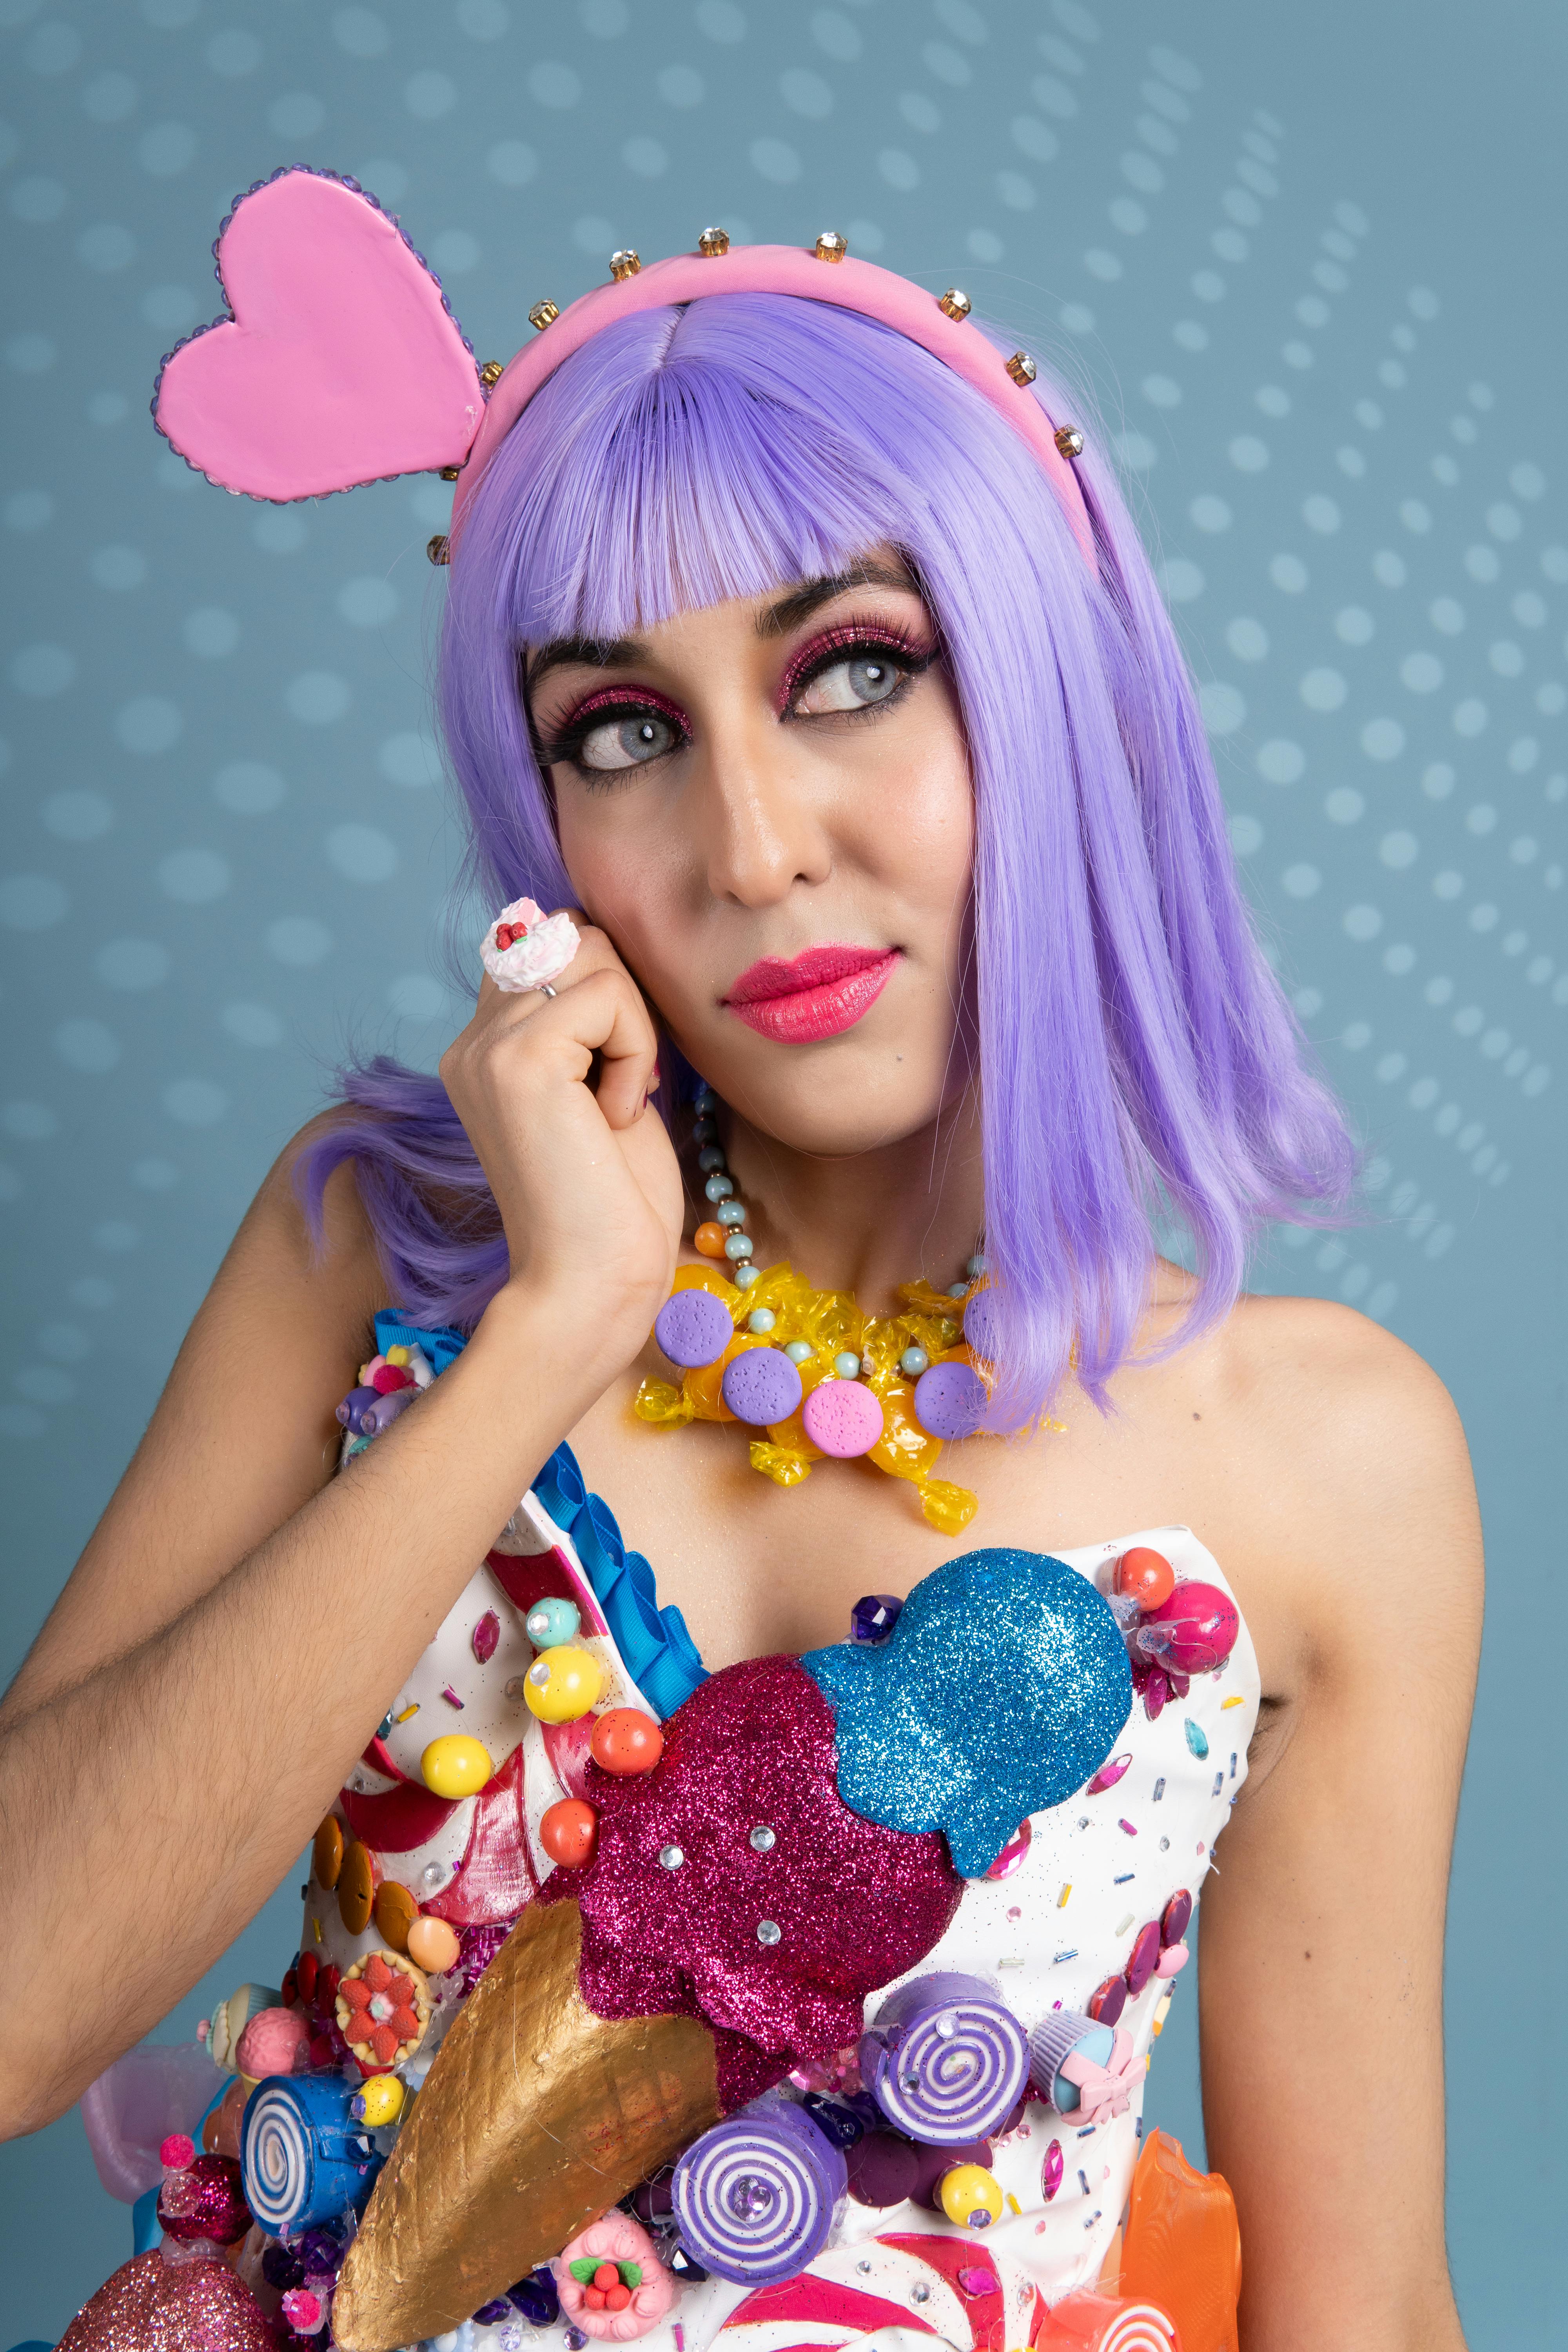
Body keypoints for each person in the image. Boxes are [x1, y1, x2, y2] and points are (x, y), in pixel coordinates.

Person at [0, 179, 1479, 2352]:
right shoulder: (378, 1249)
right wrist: (544, 1338)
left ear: (1054, 706)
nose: (758, 848)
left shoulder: (1333, 1467)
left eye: (855, 672)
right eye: (625, 731)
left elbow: (1365, 2313)